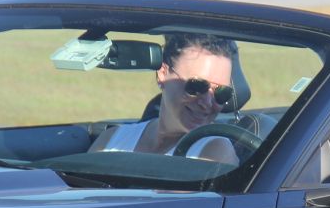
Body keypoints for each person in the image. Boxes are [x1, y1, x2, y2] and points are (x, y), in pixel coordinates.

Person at [93, 33, 239, 160]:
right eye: (197, 86)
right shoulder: (112, 139)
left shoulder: (214, 151)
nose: (207, 102)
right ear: (162, 74)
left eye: (222, 93)